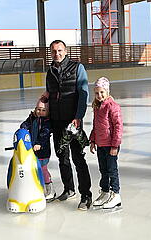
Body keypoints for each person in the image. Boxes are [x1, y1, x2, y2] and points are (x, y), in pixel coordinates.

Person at [45, 40, 92, 210]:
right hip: (57, 121)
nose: (57, 53)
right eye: (54, 51)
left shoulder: (77, 67)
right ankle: (69, 189)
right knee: (62, 158)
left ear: (65, 51)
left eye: (60, 50)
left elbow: (83, 93)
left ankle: (86, 195)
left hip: (73, 121)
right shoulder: (50, 72)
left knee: (78, 158)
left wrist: (78, 117)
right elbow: (50, 95)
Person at [89, 77, 123, 209]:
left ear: (107, 91)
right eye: (97, 93)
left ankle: (116, 194)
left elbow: (118, 127)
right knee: (103, 170)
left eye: (102, 92)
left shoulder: (112, 106)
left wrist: (115, 145)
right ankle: (105, 192)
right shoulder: (97, 106)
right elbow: (96, 126)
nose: (99, 95)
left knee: (112, 170)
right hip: (100, 144)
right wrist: (92, 140)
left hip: (110, 145)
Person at [20, 97, 56, 202]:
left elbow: (44, 134)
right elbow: (26, 124)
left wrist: (39, 144)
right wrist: (23, 127)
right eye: (38, 109)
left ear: (48, 111)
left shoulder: (47, 122)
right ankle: (36, 189)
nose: (40, 112)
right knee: (33, 170)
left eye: (43, 110)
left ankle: (50, 190)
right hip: (32, 150)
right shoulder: (32, 118)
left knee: (43, 170)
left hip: (42, 152)